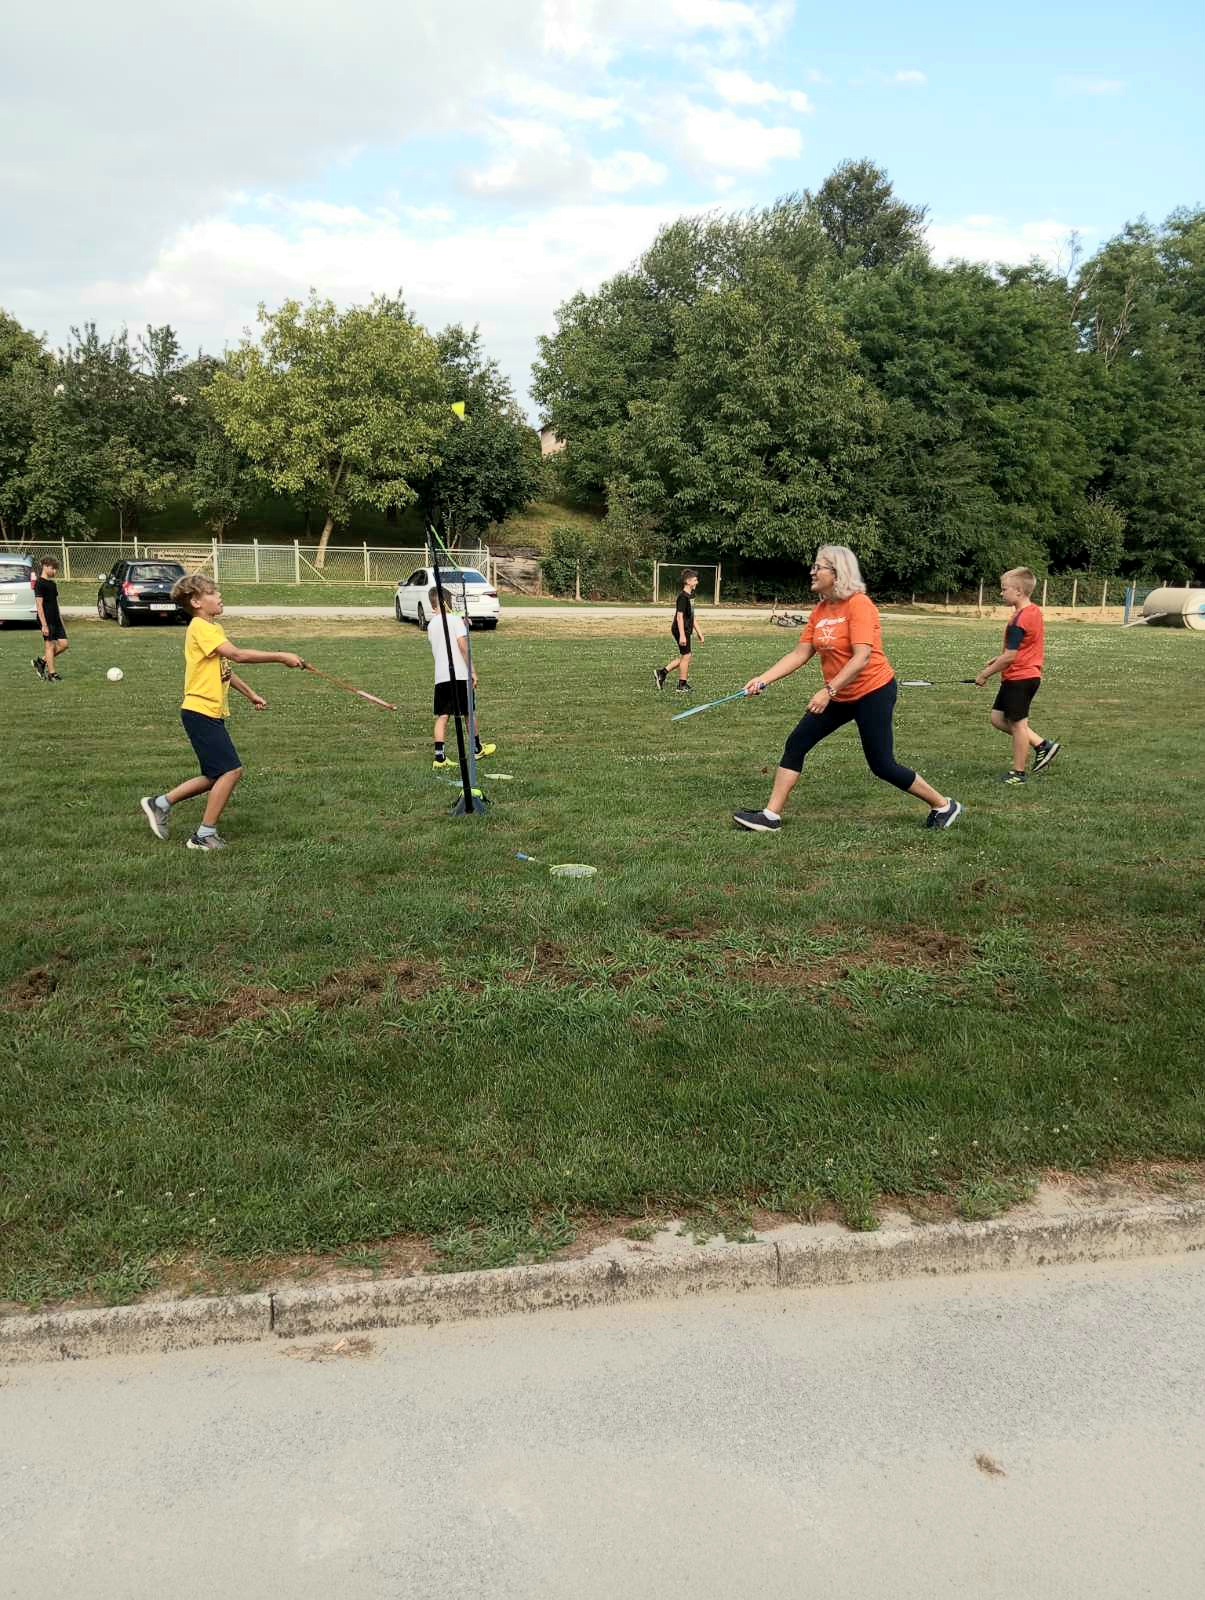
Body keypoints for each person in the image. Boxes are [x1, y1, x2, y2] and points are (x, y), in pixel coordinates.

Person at [733, 545, 963, 833]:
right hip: (840, 694)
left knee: (882, 765)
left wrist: (827, 691)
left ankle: (943, 805)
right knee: (797, 743)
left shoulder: (859, 604)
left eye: (818, 567)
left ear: (838, 573)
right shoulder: (820, 611)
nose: (812, 572)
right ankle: (771, 816)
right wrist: (763, 679)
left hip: (873, 691)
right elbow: (800, 653)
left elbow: (862, 656)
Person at [140, 574, 305, 851]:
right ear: (196, 602)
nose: (219, 596)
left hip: (207, 712)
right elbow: (238, 655)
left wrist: (251, 694)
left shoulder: (211, 628)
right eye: (212, 593)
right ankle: (204, 835)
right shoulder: (201, 627)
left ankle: (160, 803)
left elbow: (225, 669)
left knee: (215, 775)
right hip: (199, 711)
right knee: (231, 770)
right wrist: (280, 656)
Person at [974, 567, 1060, 785]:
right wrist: (999, 658)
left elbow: (1011, 656)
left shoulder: (1019, 620)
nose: (1001, 593)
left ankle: (1018, 773)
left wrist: (984, 675)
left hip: (1021, 678)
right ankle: (1042, 745)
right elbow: (1023, 646)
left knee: (1018, 725)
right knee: (997, 719)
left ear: (1019, 591)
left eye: (1004, 589)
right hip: (1019, 675)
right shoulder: (1033, 611)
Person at [427, 586, 496, 770]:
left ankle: (439, 757)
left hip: (441, 677)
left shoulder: (431, 625)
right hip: (458, 675)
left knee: (443, 715)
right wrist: (472, 671)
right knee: (468, 713)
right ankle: (476, 748)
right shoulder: (455, 620)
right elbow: (462, 647)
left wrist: (461, 624)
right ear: (446, 603)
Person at [654, 569, 705, 694]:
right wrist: (682, 635)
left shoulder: (691, 595)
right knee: (687, 656)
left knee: (685, 656)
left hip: (686, 629)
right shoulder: (682, 597)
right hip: (680, 629)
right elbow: (679, 616)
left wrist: (699, 632)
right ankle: (681, 685)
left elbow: (691, 615)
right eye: (695, 580)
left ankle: (662, 673)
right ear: (688, 581)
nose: (697, 582)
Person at [32, 556, 69, 681]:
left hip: (56, 619)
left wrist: (61, 621)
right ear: (45, 566)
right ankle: (52, 674)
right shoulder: (39, 583)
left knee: (64, 644)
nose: (55, 571)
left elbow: (56, 604)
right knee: (49, 646)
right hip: (46, 620)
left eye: (56, 569)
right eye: (53, 568)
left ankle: (42, 661)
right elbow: (39, 605)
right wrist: (44, 625)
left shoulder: (52, 584)